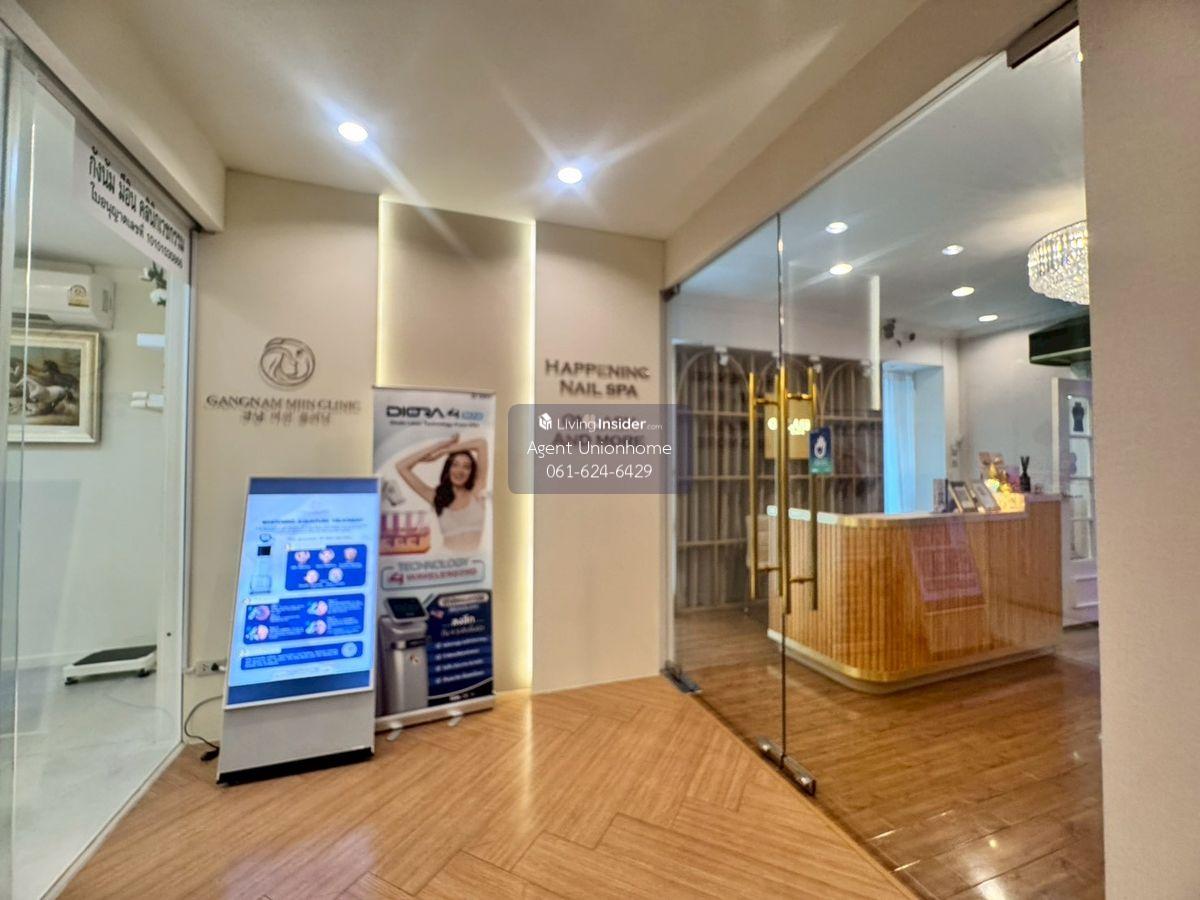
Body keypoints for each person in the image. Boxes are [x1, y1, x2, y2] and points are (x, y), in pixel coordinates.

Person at [395, 434, 488, 551]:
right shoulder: (437, 497)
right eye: (455, 465)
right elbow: (401, 466)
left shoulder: (477, 491)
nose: (460, 471)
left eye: (466, 467)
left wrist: (444, 451)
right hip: (445, 558)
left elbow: (481, 444)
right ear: (448, 470)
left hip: (474, 560)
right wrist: (439, 446)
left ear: (471, 472)